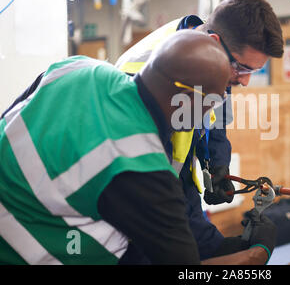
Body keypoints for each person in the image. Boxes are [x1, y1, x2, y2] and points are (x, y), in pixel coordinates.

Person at [0, 30, 275, 265]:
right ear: (188, 99)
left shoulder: (78, 68)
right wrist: (256, 255)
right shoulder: (142, 165)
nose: (210, 116)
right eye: (211, 104)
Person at [115, 0, 284, 261]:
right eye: (242, 68)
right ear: (215, 43)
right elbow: (157, 220)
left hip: (173, 184)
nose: (245, 81)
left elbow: (217, 117)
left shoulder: (212, 51)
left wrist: (217, 164)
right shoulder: (151, 77)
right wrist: (252, 257)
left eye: (253, 71)